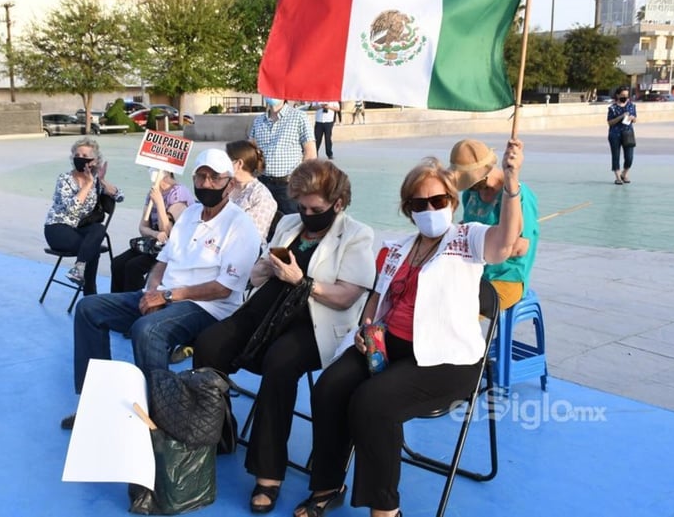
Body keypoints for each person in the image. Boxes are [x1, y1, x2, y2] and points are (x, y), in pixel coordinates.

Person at [294, 140, 525, 517]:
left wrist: (512, 182)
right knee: (329, 387)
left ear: (452, 201)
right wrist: (366, 327)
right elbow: (377, 298)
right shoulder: (396, 248)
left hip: (446, 360)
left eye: (438, 201)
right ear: (408, 209)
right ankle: (328, 483)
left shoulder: (467, 240)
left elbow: (504, 243)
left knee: (372, 403)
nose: (430, 209)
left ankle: (385, 509)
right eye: (420, 204)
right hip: (389, 348)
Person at [193, 159, 375, 514]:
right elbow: (260, 276)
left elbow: (347, 297)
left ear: (338, 203)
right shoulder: (290, 224)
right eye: (302, 206)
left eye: (316, 209)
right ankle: (217, 431)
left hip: (316, 322)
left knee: (280, 364)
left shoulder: (357, 235)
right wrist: (262, 267)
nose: (307, 214)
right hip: (268, 311)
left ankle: (268, 473)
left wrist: (301, 282)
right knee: (209, 344)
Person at [61, 149, 260, 429]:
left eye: (214, 178)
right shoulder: (190, 215)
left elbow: (223, 289)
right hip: (167, 296)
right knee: (88, 309)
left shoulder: (240, 226)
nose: (206, 184)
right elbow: (161, 263)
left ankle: (161, 421)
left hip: (207, 307)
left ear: (230, 183)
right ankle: (95, 402)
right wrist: (150, 291)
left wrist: (167, 295)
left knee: (148, 330)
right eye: (200, 177)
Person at [449, 138, 539, 310]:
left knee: (462, 311)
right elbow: (468, 225)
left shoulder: (520, 196)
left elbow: (520, 247)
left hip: (505, 278)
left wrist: (480, 248)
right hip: (473, 274)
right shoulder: (471, 193)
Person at [44, 138, 124, 295]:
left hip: (80, 229)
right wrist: (87, 185)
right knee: (92, 248)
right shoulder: (64, 179)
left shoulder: (96, 181)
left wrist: (101, 180)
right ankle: (90, 295)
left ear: (94, 161)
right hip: (58, 228)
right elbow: (73, 209)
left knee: (98, 230)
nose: (80, 158)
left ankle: (79, 268)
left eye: (85, 155)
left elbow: (120, 196)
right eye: (77, 154)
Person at [110, 170, 194, 293]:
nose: (151, 170)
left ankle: (135, 305)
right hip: (154, 243)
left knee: (133, 267)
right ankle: (117, 303)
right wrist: (155, 234)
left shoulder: (178, 193)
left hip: (172, 248)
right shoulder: (152, 193)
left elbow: (168, 232)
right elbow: (142, 228)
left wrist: (159, 203)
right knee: (118, 263)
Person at [248, 97, 316, 215]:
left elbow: (310, 153)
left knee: (291, 226)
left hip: (289, 185)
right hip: (263, 184)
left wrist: (301, 181)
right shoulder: (258, 121)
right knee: (265, 225)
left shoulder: (299, 117)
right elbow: (250, 150)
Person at [226, 139, 278, 244]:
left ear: (239, 164)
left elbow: (252, 234)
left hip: (247, 250)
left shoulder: (261, 196)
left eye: (225, 160)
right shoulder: (225, 186)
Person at [607, 85, 637, 185]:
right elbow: (610, 122)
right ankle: (617, 177)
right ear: (618, 95)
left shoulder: (631, 106)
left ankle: (624, 173)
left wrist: (632, 118)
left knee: (629, 157)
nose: (625, 97)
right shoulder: (613, 108)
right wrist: (621, 117)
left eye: (627, 95)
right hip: (615, 134)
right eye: (623, 95)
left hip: (628, 133)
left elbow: (635, 119)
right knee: (615, 155)